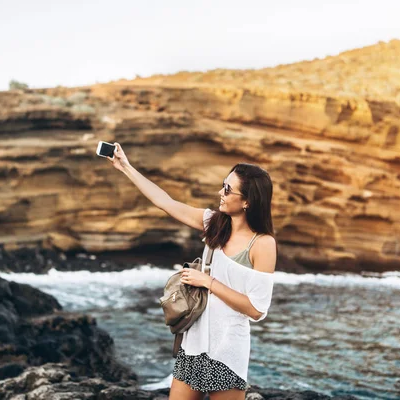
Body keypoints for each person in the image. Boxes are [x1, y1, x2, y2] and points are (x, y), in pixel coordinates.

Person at [107, 142, 276, 400]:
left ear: (247, 202)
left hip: (227, 353)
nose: (221, 191)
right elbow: (165, 202)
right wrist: (125, 167)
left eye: (228, 189)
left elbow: (256, 309)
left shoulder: (263, 244)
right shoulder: (214, 224)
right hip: (193, 345)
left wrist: (209, 282)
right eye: (223, 184)